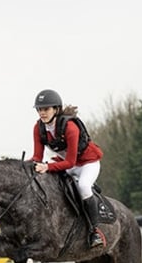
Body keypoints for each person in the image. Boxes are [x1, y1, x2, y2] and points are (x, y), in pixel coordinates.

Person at [30, 88, 104, 248]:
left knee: (84, 186)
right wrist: (27, 167)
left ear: (56, 109)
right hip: (67, 164)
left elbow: (70, 162)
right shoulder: (38, 128)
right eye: (39, 109)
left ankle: (95, 232)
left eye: (46, 109)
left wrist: (47, 166)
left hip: (87, 164)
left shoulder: (70, 127)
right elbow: (37, 157)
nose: (42, 113)